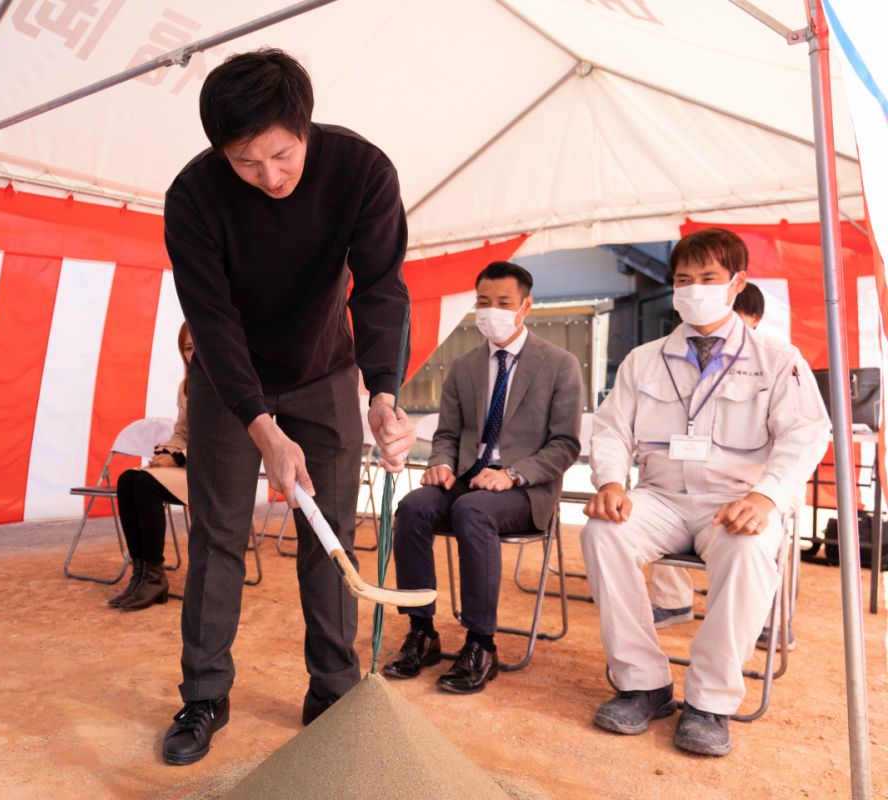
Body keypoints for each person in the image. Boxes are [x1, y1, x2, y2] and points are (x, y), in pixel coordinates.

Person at [160, 49, 415, 766]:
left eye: (281, 154)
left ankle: (332, 687)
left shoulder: (362, 172)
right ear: (220, 153)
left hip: (325, 372)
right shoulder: (194, 197)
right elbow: (209, 321)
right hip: (228, 381)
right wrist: (259, 423)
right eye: (246, 162)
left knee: (329, 532)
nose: (268, 176)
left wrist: (383, 391)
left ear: (304, 126)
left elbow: (381, 288)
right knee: (217, 533)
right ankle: (205, 693)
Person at [581, 228, 828, 757]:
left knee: (749, 547)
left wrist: (765, 499)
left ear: (737, 283)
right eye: (683, 280)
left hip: (736, 500)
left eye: (708, 279)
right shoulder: (643, 360)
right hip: (662, 497)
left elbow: (806, 434)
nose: (693, 289)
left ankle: (710, 702)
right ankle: (643, 685)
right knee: (603, 531)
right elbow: (611, 429)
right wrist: (608, 481)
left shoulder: (777, 358)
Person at [383, 262, 581, 693]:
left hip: (524, 490)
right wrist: (441, 463)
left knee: (473, 510)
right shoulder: (464, 366)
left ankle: (480, 643)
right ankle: (422, 631)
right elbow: (448, 434)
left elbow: (565, 445)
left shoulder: (560, 365)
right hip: (467, 480)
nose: (492, 311)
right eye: (484, 303)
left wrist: (512, 474)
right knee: (414, 507)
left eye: (503, 303)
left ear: (525, 306)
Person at [648, 281, 767, 629]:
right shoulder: (668, 354)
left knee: (758, 537)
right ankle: (671, 602)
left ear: (755, 319)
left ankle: (766, 619)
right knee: (653, 502)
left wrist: (766, 496)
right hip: (678, 481)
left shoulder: (773, 358)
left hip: (743, 489)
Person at [107, 322, 194, 611]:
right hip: (186, 467)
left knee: (144, 485)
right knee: (127, 479)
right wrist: (164, 453)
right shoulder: (187, 387)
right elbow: (182, 432)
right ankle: (142, 574)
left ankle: (155, 576)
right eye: (187, 349)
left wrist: (177, 459)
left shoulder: (223, 386)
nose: (193, 354)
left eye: (198, 347)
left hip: (211, 472)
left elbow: (217, 441)